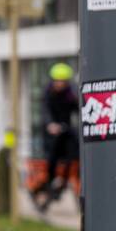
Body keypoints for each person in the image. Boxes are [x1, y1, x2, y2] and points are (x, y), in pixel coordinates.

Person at [37, 62, 79, 210]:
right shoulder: (48, 93)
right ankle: (50, 183)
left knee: (74, 153)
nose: (59, 84)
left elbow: (78, 108)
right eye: (57, 80)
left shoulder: (71, 94)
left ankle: (63, 180)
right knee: (52, 157)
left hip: (65, 129)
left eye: (63, 81)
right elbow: (44, 111)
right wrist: (50, 124)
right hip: (51, 133)